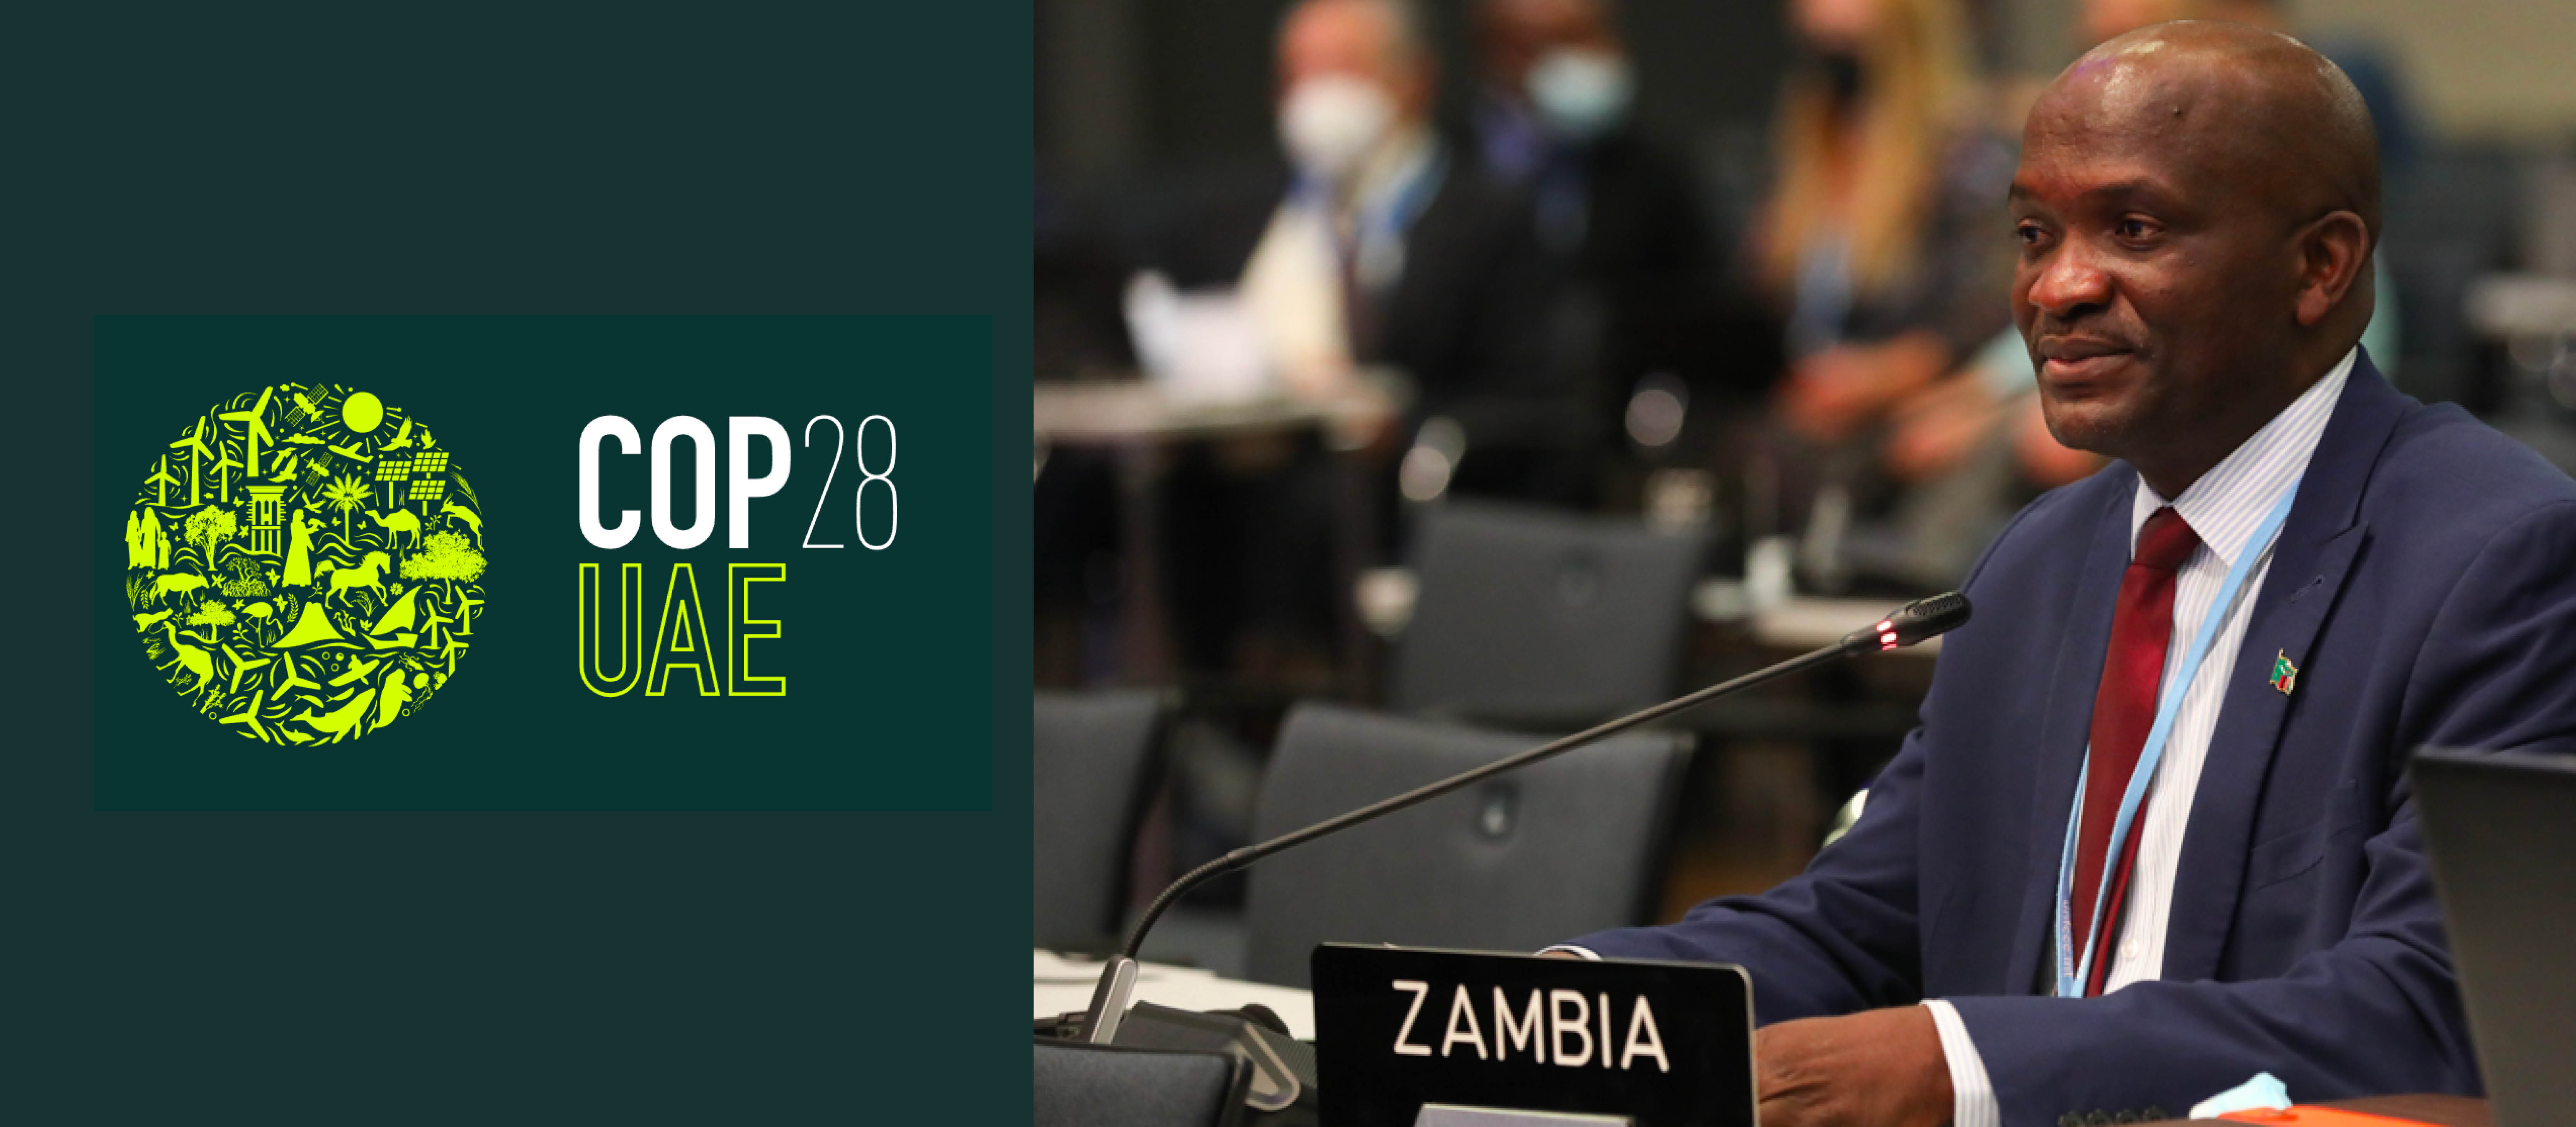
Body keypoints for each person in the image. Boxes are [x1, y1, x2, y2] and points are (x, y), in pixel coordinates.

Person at [1551, 22, 2576, 1127]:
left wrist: (1961, 1066)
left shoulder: (2499, 561)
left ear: (2318, 265)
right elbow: (1856, 925)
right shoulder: (2035, 562)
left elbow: (2432, 1007)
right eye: (2035, 235)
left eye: (2133, 229)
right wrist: (1565, 1009)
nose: (2059, 287)